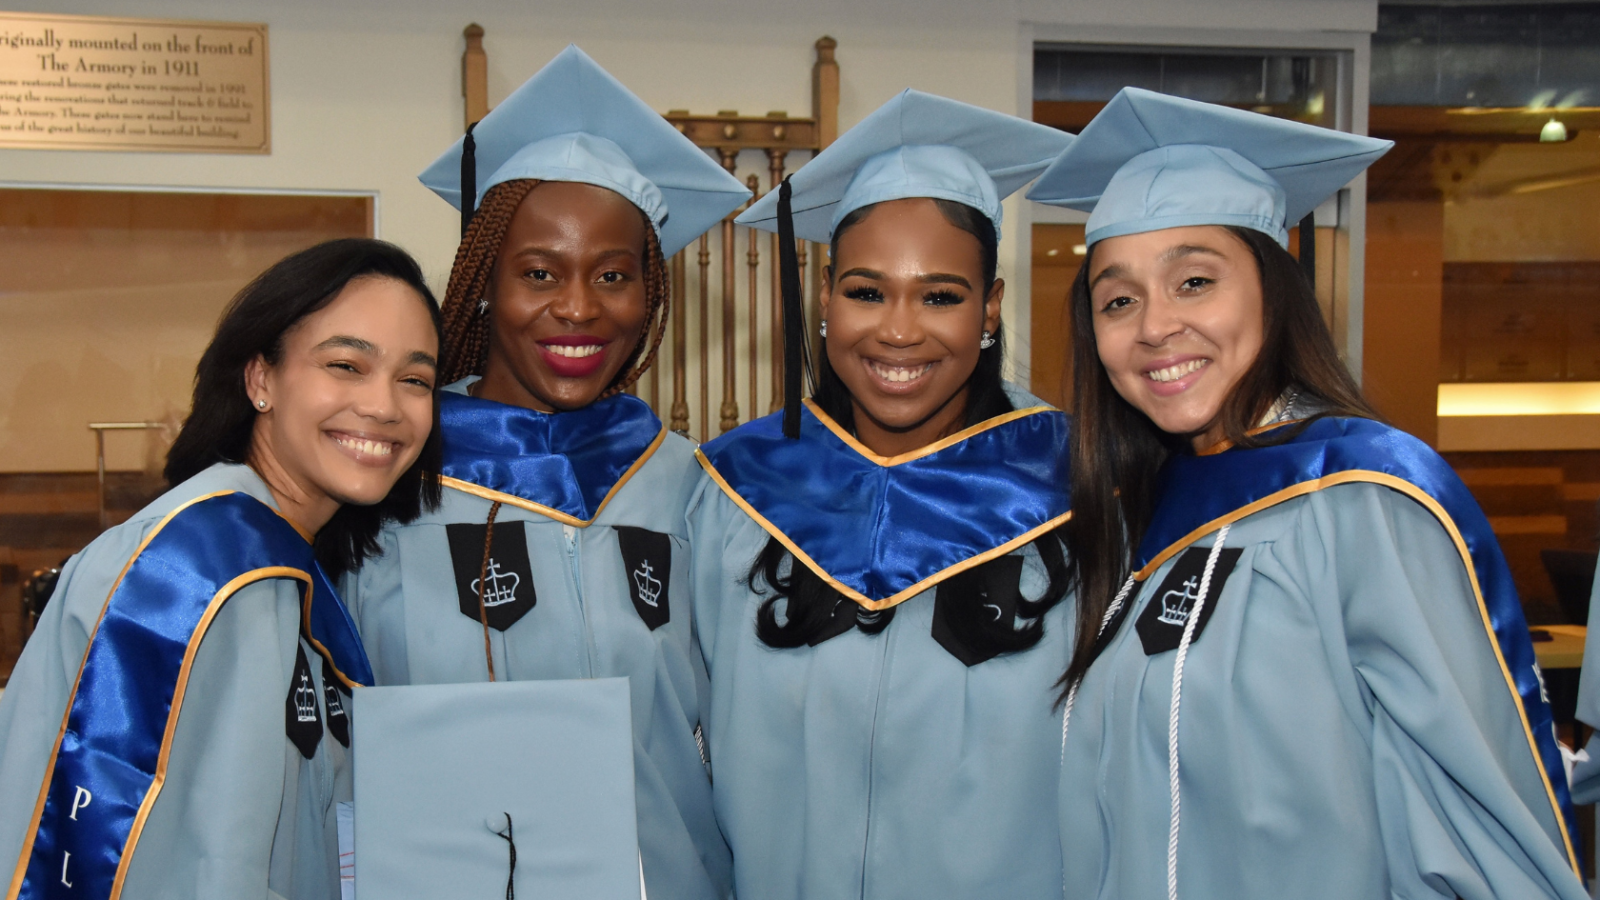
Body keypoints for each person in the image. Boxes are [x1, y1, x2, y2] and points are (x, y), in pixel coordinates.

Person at [1028, 87, 1586, 900]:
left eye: (1193, 281)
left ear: (1272, 287)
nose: (1153, 326)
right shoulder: (1134, 517)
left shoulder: (1366, 499)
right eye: (1119, 300)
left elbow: (1487, 816)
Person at [338, 45, 748, 900]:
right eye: (537, 273)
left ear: (651, 294)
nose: (578, 308)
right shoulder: (387, 477)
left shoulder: (693, 489)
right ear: (484, 283)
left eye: (613, 275)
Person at [688, 90, 1075, 899]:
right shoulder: (734, 493)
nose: (899, 331)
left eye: (941, 295)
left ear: (991, 308)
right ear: (825, 299)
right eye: (866, 291)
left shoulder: (1078, 492)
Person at [0, 238, 443, 899]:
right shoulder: (205, 572)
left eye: (414, 379)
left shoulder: (273, 554)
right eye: (346, 364)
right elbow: (212, 868)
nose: (384, 406)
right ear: (260, 378)